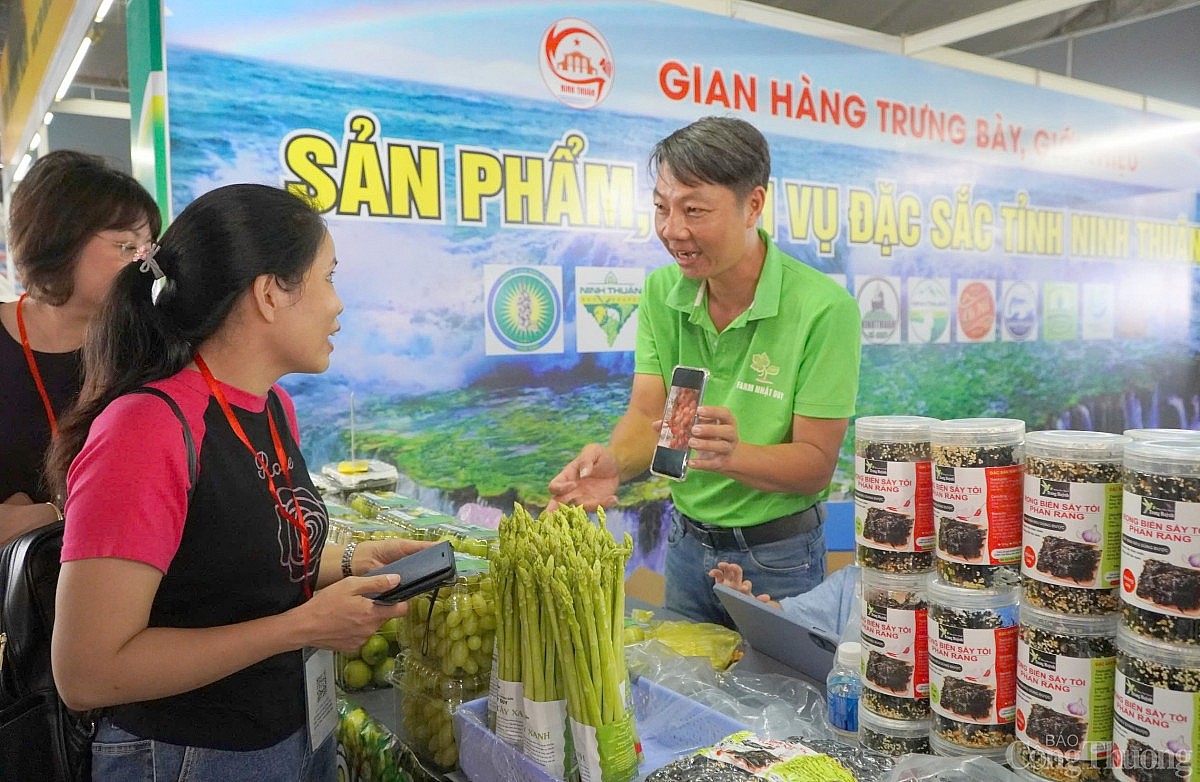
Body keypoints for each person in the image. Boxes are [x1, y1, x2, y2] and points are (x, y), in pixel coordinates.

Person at [45, 184, 429, 780]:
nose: (338, 305)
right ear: (270, 293)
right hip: (187, 756)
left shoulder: (272, 407)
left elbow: (236, 559)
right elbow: (88, 672)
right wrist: (302, 627)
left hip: (293, 730)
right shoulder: (146, 429)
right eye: (328, 277)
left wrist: (351, 561)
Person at [549, 116, 861, 627]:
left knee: (776, 699)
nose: (673, 229)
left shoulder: (824, 309)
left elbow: (815, 465)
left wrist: (734, 456)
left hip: (776, 555)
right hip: (686, 542)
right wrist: (613, 463)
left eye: (694, 210)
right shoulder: (661, 294)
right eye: (661, 208)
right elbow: (649, 416)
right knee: (683, 694)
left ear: (752, 206)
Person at [0, 150, 161, 547]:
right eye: (126, 246)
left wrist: (50, 511)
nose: (144, 262)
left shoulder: (153, 350)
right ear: (58, 240)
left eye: (149, 246)